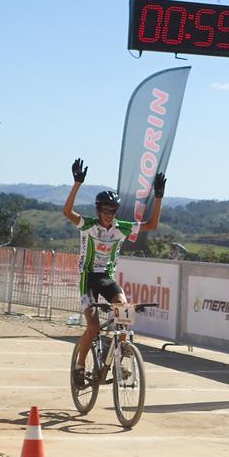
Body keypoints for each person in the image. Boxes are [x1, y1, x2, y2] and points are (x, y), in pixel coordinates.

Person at [63, 158, 165, 387]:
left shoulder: (121, 228)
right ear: (98, 210)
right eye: (105, 210)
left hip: (107, 279)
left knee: (124, 313)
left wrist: (158, 197)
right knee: (93, 327)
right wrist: (77, 184)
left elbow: (152, 225)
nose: (109, 214)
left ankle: (120, 358)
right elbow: (67, 212)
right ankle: (80, 366)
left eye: (113, 210)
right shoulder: (88, 225)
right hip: (88, 279)